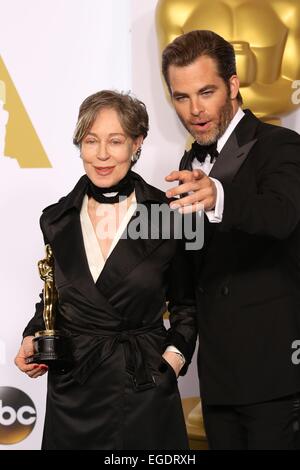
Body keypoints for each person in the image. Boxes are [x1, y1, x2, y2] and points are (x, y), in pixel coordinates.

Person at [15, 90, 197, 450]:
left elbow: (187, 306)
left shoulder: (169, 215)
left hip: (143, 384)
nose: (101, 155)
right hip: (73, 388)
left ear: (137, 143)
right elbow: (54, 295)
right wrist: (33, 335)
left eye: (115, 141)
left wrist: (171, 363)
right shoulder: (55, 219)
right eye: (90, 140)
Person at [161, 29, 300, 450]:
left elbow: (281, 215)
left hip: (275, 375)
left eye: (206, 92)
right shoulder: (188, 164)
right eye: (181, 97)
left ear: (234, 85)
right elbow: (188, 270)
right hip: (217, 380)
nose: (195, 110)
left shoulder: (281, 146)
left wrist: (218, 195)